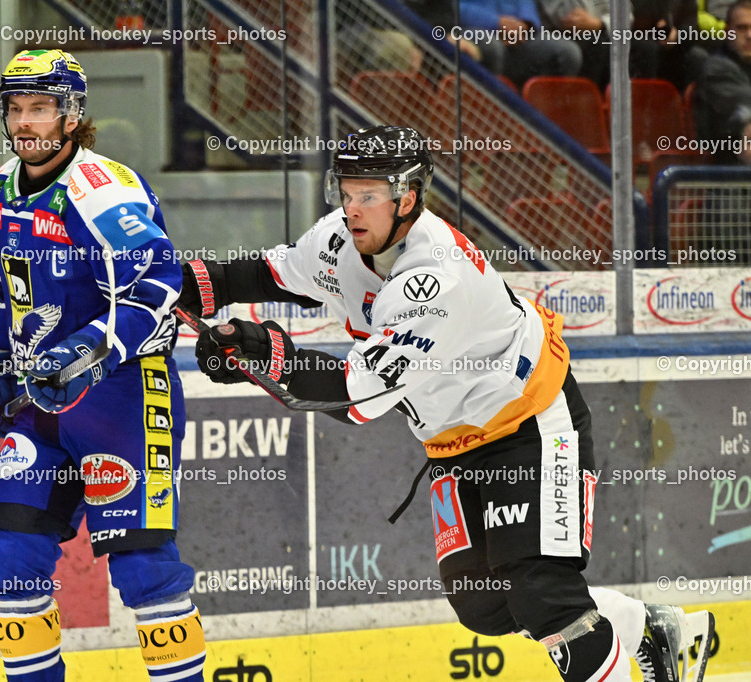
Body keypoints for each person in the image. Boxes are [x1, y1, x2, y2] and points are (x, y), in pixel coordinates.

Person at [179, 125, 714, 682]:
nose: (352, 208)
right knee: (485, 606)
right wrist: (187, 283)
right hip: (451, 442)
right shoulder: (342, 236)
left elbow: (359, 396)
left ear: (407, 198)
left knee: (540, 592)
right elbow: (274, 273)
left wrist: (265, 353)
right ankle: (650, 627)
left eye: (369, 195)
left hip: (529, 422)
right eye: (346, 191)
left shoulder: (436, 277)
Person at [0, 49, 205, 682]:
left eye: (40, 109)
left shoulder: (101, 190)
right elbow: (6, 290)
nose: (25, 123)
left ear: (71, 116)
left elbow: (163, 281)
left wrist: (92, 347)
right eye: (16, 109)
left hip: (126, 398)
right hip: (43, 403)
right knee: (11, 555)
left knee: (143, 567)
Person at [695, 0, 751, 161]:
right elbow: (745, 105)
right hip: (726, 173)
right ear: (727, 32)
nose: (749, 35)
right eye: (742, 28)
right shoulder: (716, 69)